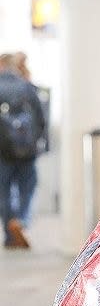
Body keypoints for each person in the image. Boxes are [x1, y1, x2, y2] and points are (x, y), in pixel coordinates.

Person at [0, 53, 46, 248]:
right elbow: (41, 118)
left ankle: (10, 236)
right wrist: (40, 142)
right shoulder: (27, 87)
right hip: (27, 149)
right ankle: (21, 219)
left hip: (2, 150)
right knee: (27, 187)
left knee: (4, 190)